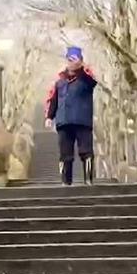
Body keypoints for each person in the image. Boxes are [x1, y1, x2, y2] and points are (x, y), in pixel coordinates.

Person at [44, 46, 98, 185]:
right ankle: (65, 182)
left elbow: (92, 81)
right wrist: (49, 117)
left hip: (82, 120)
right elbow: (53, 99)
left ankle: (88, 180)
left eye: (74, 59)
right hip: (64, 121)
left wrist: (82, 68)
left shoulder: (86, 78)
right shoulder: (60, 81)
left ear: (80, 60)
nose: (71, 62)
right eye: (69, 59)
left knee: (86, 152)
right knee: (65, 154)